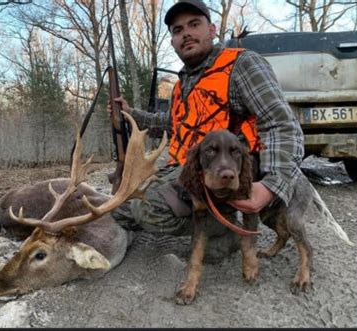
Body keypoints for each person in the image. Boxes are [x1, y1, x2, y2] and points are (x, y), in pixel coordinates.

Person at [107, 0, 304, 260]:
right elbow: (175, 124)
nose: (186, 33)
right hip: (187, 169)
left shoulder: (241, 65)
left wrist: (271, 185)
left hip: (224, 169)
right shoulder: (183, 84)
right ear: (173, 42)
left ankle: (225, 229)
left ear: (212, 30)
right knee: (118, 209)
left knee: (147, 210)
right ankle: (210, 219)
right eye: (178, 30)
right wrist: (131, 115)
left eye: (194, 24)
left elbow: (281, 124)